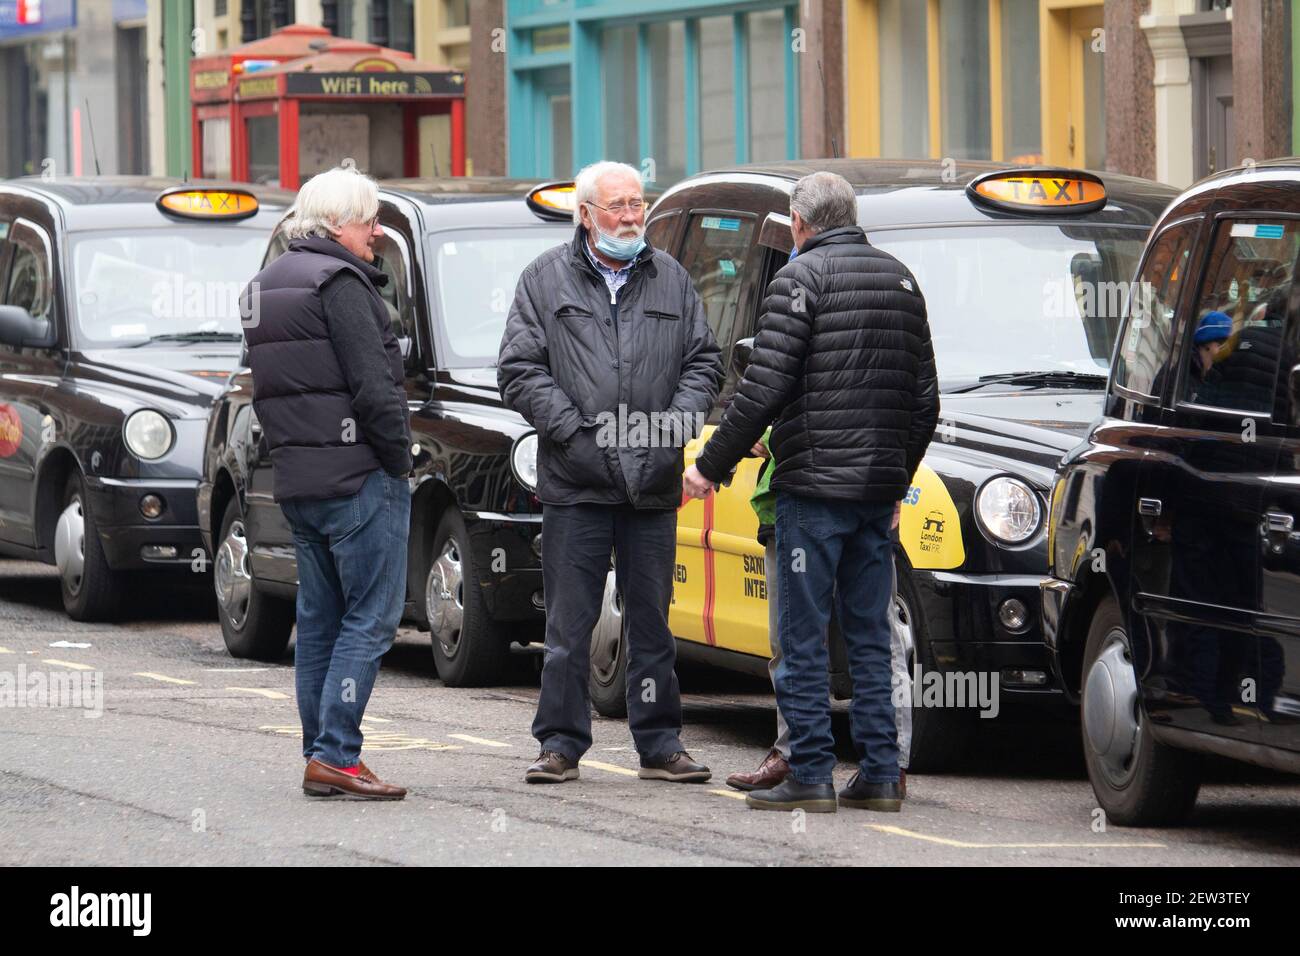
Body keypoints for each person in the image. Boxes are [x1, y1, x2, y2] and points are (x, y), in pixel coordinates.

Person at [684, 171, 938, 813]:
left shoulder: (797, 280)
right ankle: (882, 774)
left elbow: (760, 391)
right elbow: (925, 403)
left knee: (800, 637)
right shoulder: (902, 279)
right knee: (869, 638)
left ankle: (811, 773)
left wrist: (708, 468)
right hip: (876, 500)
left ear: (800, 223)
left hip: (813, 493)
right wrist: (892, 473)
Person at [497, 161, 724, 785]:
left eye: (637, 203)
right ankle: (561, 744)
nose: (631, 216)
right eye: (618, 205)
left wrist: (674, 428)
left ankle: (660, 744)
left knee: (652, 621)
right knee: (569, 625)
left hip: (652, 481)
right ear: (586, 215)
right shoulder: (545, 280)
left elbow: (704, 363)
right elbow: (518, 370)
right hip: (577, 480)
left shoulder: (671, 278)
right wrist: (570, 430)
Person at [241, 166, 412, 800]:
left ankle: (324, 753)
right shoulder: (340, 281)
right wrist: (398, 459)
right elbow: (373, 386)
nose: (376, 232)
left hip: (299, 479)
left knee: (318, 621)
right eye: (369, 220)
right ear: (338, 224)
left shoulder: (266, 283)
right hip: (359, 478)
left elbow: (270, 390)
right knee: (369, 619)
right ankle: (337, 752)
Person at [724, 428, 913, 796]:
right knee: (799, 638)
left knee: (865, 638)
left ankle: (874, 766)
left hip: (835, 496)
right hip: (809, 499)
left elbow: (910, 408)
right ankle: (806, 757)